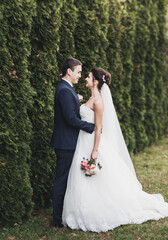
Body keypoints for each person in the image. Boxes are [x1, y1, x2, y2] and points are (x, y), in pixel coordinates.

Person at [62, 67, 168, 232]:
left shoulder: (98, 100)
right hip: (83, 141)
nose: (86, 78)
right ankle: (81, 209)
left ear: (96, 82)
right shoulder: (92, 98)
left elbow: (99, 128)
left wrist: (95, 150)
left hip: (91, 143)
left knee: (95, 178)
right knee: (86, 178)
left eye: (89, 76)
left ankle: (96, 210)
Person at [50, 58, 95, 228]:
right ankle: (57, 219)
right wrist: (91, 127)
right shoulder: (64, 90)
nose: (80, 76)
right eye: (78, 72)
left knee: (67, 179)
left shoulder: (67, 89)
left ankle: (64, 214)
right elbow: (70, 119)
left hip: (68, 141)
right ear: (69, 71)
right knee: (62, 180)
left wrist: (77, 99)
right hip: (65, 143)